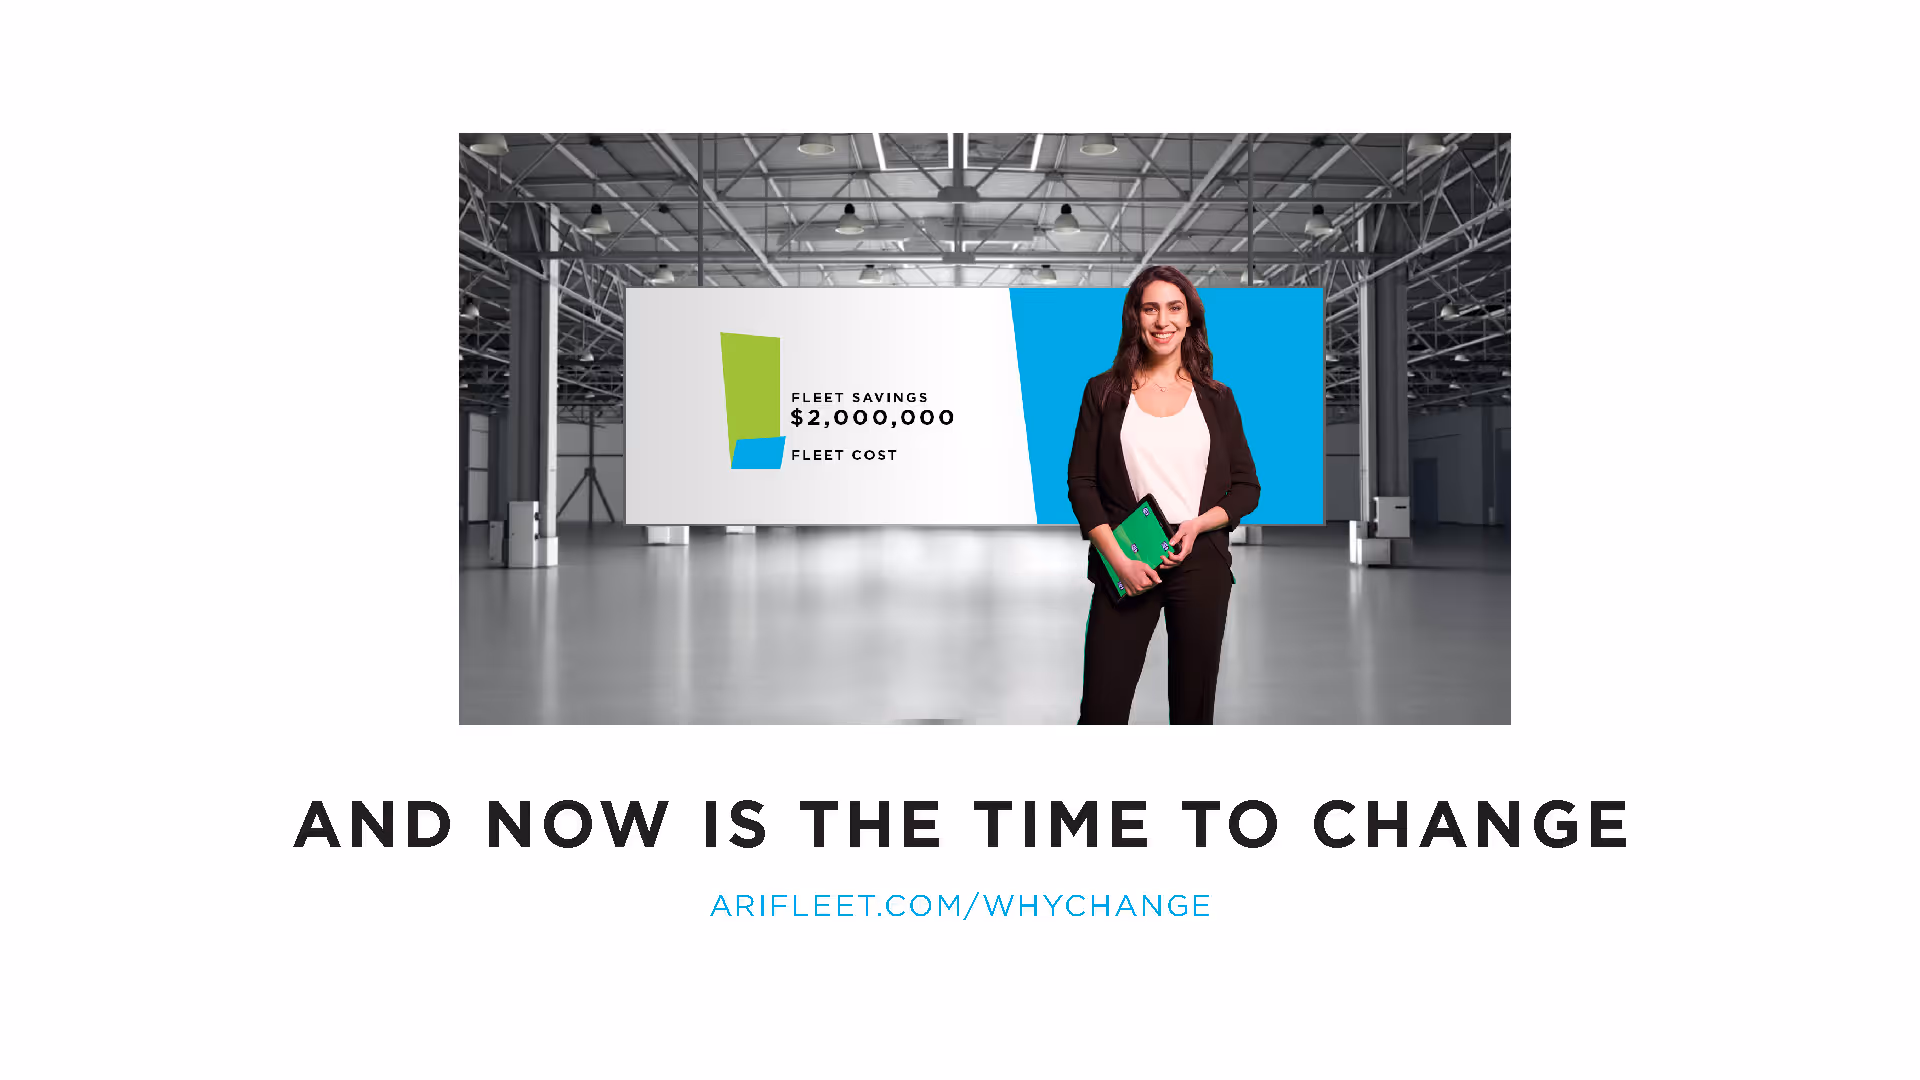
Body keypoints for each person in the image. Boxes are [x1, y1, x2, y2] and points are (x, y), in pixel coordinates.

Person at [1068, 266, 1260, 725]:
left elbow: (1246, 487)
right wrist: (1119, 560)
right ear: (1135, 316)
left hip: (1201, 560)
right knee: (1101, 712)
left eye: (1174, 308)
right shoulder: (1103, 391)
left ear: (1190, 318)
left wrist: (1199, 524)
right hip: (1128, 556)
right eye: (1150, 308)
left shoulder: (1217, 398)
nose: (1162, 320)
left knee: (1193, 713)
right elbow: (1082, 483)